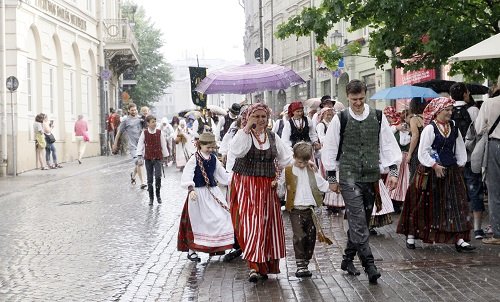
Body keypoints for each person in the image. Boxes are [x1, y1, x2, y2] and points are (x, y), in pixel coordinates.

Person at [321, 80, 401, 284]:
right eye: (354, 99)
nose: (358, 102)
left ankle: (347, 259)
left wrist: (393, 171)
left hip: (371, 176)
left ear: (366, 95)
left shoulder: (377, 116)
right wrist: (331, 178)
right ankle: (369, 264)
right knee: (358, 221)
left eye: (361, 99)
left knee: (362, 222)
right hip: (348, 177)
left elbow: (388, 146)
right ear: (347, 97)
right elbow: (330, 148)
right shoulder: (341, 119)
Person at [397, 97, 475, 252]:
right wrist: (434, 165)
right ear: (438, 111)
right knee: (422, 204)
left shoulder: (453, 127)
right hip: (429, 172)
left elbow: (459, 148)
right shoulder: (430, 128)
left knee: (455, 205)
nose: (450, 113)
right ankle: (412, 234)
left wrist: (459, 165)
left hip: (450, 171)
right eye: (447, 110)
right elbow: (422, 152)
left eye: (451, 110)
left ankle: (459, 239)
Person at [228, 103, 292, 282]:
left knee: (267, 225)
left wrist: (302, 163)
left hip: (267, 186)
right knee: (253, 225)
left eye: (263, 116)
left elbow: (286, 159)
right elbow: (236, 151)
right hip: (247, 186)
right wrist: (246, 128)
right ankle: (254, 266)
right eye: (256, 116)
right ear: (247, 118)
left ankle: (265, 264)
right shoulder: (243, 136)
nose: (260, 120)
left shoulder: (272, 137)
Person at [177, 132, 234, 261]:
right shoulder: (194, 158)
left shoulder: (213, 159)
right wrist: (190, 188)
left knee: (221, 217)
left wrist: (235, 178)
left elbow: (222, 175)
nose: (210, 150)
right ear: (200, 145)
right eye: (208, 147)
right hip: (197, 194)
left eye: (212, 147)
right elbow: (187, 174)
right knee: (197, 222)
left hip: (212, 192)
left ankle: (216, 247)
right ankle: (192, 251)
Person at [281, 142, 330, 278]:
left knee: (311, 236)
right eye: (299, 161)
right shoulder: (288, 170)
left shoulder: (311, 170)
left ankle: (306, 259)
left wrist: (334, 186)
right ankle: (300, 265)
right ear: (294, 157)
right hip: (295, 209)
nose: (301, 165)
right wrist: (276, 188)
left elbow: (321, 184)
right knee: (299, 236)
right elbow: (281, 185)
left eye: (304, 162)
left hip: (310, 209)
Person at [450, 82, 485, 240]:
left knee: (457, 193)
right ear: (465, 94)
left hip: (454, 159)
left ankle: (459, 225)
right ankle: (477, 229)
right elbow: (479, 132)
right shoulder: (473, 110)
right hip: (471, 157)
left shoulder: (447, 111)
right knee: (475, 191)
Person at [475, 85, 500, 245]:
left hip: (495, 146)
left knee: (495, 192)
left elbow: (479, 128)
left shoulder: (489, 103)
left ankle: (498, 233)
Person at [316, 107, 344, 214]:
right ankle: (331, 202)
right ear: (322, 115)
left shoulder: (332, 124)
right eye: (327, 114)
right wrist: (331, 138)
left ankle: (338, 202)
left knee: (337, 175)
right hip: (326, 152)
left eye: (330, 114)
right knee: (329, 175)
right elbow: (322, 138)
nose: (329, 116)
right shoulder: (321, 125)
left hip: (335, 151)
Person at [136, 115, 169, 205]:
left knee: (158, 177)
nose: (155, 123)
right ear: (148, 123)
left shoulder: (159, 132)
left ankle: (158, 195)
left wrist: (166, 156)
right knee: (149, 179)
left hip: (158, 158)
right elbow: (140, 144)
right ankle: (151, 198)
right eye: (152, 122)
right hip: (148, 159)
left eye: (155, 121)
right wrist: (139, 155)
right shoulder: (144, 133)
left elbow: (163, 144)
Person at [113, 103, 147, 189]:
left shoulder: (141, 119)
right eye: (132, 110)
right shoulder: (125, 121)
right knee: (139, 162)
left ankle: (133, 175)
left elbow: (146, 130)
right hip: (132, 146)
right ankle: (143, 182)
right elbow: (119, 133)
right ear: (129, 111)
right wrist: (115, 144)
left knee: (138, 163)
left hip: (141, 145)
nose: (134, 111)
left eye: (135, 110)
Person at [407, 97, 427, 180]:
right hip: (428, 150)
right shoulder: (429, 117)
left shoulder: (414, 119)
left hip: (418, 151)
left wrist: (410, 154)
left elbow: (415, 136)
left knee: (415, 177)